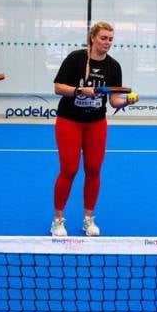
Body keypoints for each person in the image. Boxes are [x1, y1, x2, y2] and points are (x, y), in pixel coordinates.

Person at [50, 21, 138, 237]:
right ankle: (58, 220)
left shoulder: (114, 66)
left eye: (110, 39)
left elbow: (114, 101)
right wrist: (80, 90)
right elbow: (58, 87)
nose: (107, 42)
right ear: (92, 38)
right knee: (69, 170)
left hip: (96, 124)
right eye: (103, 38)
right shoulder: (75, 58)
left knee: (93, 169)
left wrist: (127, 102)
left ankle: (88, 219)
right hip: (69, 121)